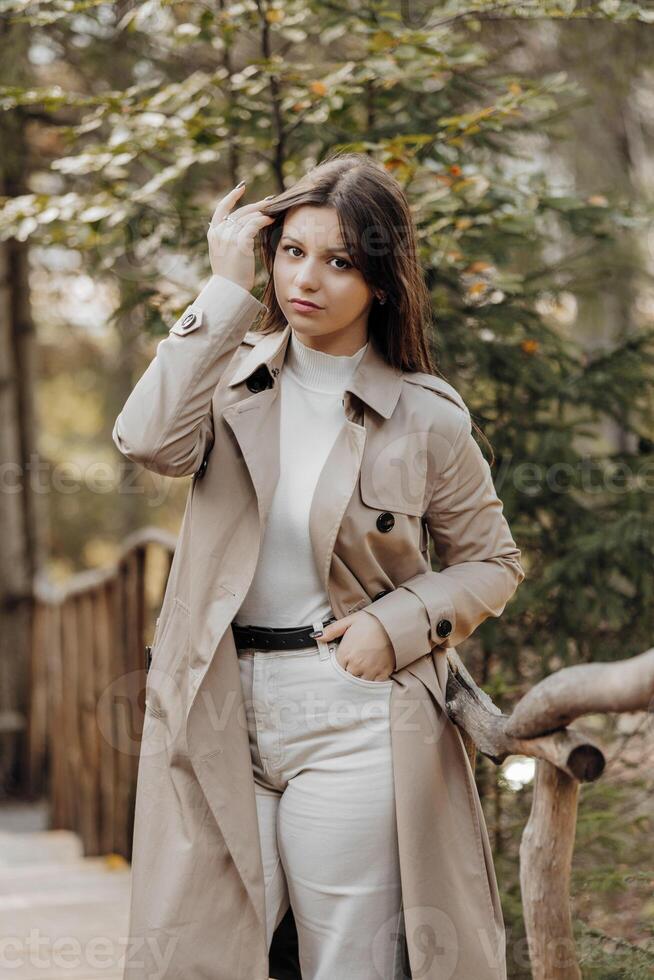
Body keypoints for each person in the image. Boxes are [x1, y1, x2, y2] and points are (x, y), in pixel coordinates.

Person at [113, 151, 525, 980]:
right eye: (292, 252)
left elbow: (492, 560)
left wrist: (394, 624)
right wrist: (223, 292)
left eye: (341, 262)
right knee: (191, 957)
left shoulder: (424, 413)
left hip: (353, 712)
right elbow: (148, 439)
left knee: (349, 963)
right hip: (216, 702)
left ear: (381, 280)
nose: (309, 279)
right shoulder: (223, 377)